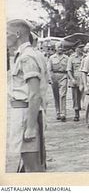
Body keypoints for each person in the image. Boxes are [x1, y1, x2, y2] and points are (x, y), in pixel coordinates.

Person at [7, 19, 46, 172]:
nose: (4, 37)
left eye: (6, 33)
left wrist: (30, 127)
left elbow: (34, 94)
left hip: (25, 114)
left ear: (17, 34)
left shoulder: (27, 57)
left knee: (33, 168)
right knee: (27, 165)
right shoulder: (22, 54)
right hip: (21, 113)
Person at [47, 41, 68, 122]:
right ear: (55, 48)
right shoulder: (52, 58)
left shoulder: (66, 58)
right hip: (54, 77)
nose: (60, 48)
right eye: (58, 47)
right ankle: (58, 112)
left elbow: (69, 69)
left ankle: (63, 113)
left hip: (63, 76)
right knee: (56, 95)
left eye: (61, 47)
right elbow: (49, 69)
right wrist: (50, 78)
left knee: (63, 94)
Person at [67, 42, 85, 122]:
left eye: (82, 47)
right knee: (75, 97)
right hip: (76, 79)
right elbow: (69, 70)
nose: (82, 49)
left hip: (85, 79)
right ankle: (76, 113)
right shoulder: (72, 58)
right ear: (76, 49)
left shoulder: (86, 57)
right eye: (80, 48)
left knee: (87, 97)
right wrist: (72, 79)